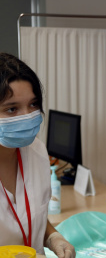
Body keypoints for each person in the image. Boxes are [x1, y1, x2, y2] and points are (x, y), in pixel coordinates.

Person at [0, 53, 75, 257]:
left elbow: (31, 216)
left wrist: (53, 237)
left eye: (33, 104)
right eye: (12, 109)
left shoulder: (36, 151)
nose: (28, 116)